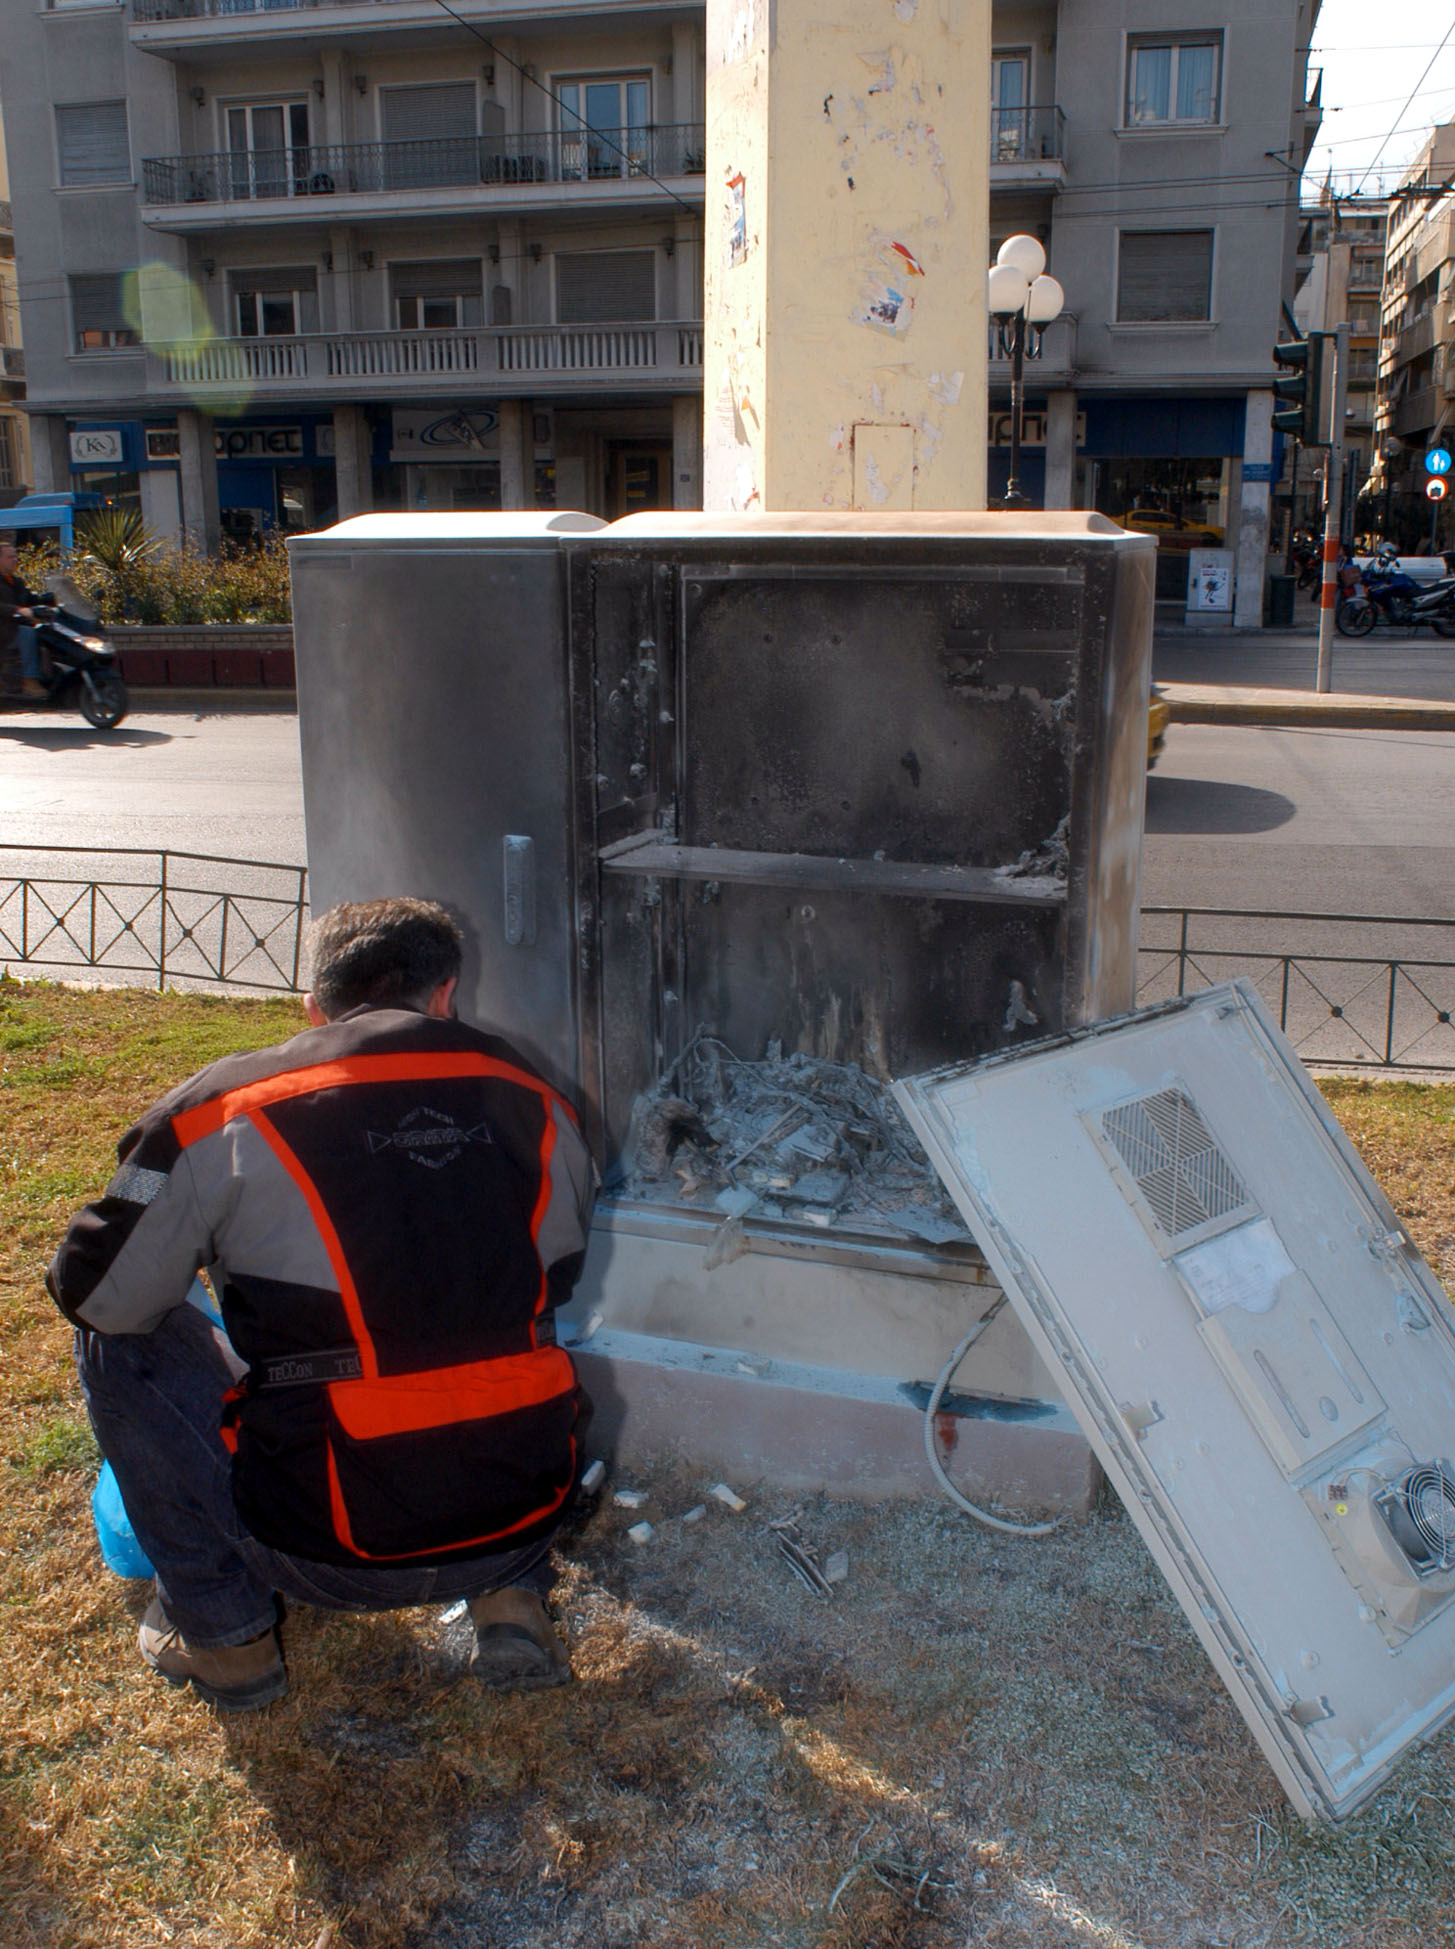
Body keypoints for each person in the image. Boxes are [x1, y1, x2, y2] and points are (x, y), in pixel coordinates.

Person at [48, 897, 597, 1713]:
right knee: (501, 1329)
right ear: (445, 995)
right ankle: (511, 1599)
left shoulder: (223, 1106)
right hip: (526, 1510)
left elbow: (96, 1295)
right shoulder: (541, 1097)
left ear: (313, 1008)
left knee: (117, 1342)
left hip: (329, 1546)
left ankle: (226, 1641)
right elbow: (560, 1275)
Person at [0, 535, 45, 701]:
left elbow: (29, 598)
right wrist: (16, 609)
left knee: (46, 632)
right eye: (10, 557)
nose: (14, 560)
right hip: (5, 631)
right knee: (27, 633)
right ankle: (29, 680)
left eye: (15, 557)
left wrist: (49, 600)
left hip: (14, 627)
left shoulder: (16, 581)